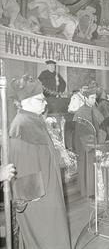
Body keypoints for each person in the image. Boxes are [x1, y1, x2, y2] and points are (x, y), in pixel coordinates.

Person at [9, 74, 71, 249]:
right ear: (26, 101)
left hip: (50, 193)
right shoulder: (21, 126)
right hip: (38, 202)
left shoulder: (34, 120)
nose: (45, 103)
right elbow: (24, 169)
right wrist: (31, 202)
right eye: (40, 100)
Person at [73, 86, 106, 197]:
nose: (93, 100)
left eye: (95, 98)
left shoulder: (95, 110)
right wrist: (93, 142)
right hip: (86, 145)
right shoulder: (80, 112)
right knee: (88, 167)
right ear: (85, 98)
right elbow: (81, 132)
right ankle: (88, 191)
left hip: (96, 143)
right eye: (91, 98)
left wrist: (102, 138)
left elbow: (101, 126)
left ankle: (96, 189)